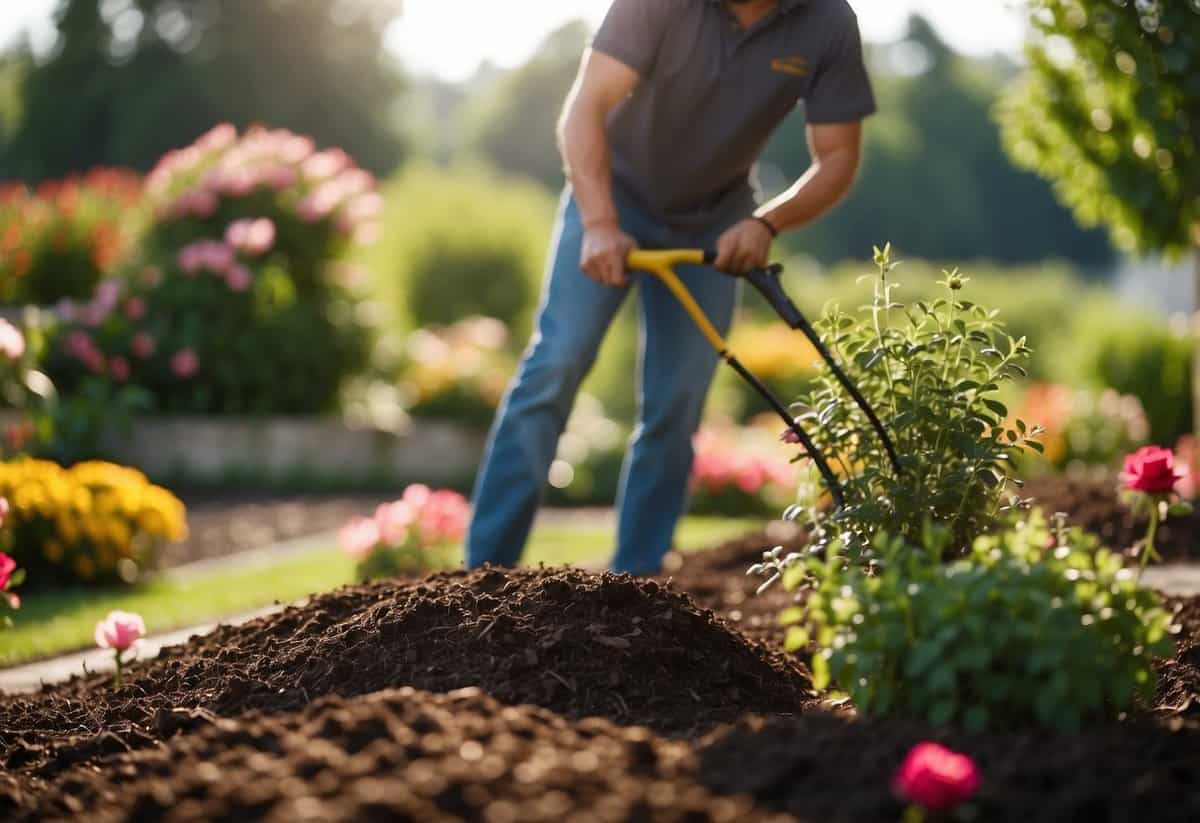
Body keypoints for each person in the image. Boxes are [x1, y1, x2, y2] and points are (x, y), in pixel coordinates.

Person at [466, 0, 875, 575]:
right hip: (610, 194)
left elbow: (838, 158)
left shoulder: (827, 21)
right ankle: (483, 572)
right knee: (555, 365)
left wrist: (766, 223)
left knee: (676, 405)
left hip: (716, 219)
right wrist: (602, 223)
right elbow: (586, 108)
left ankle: (636, 582)